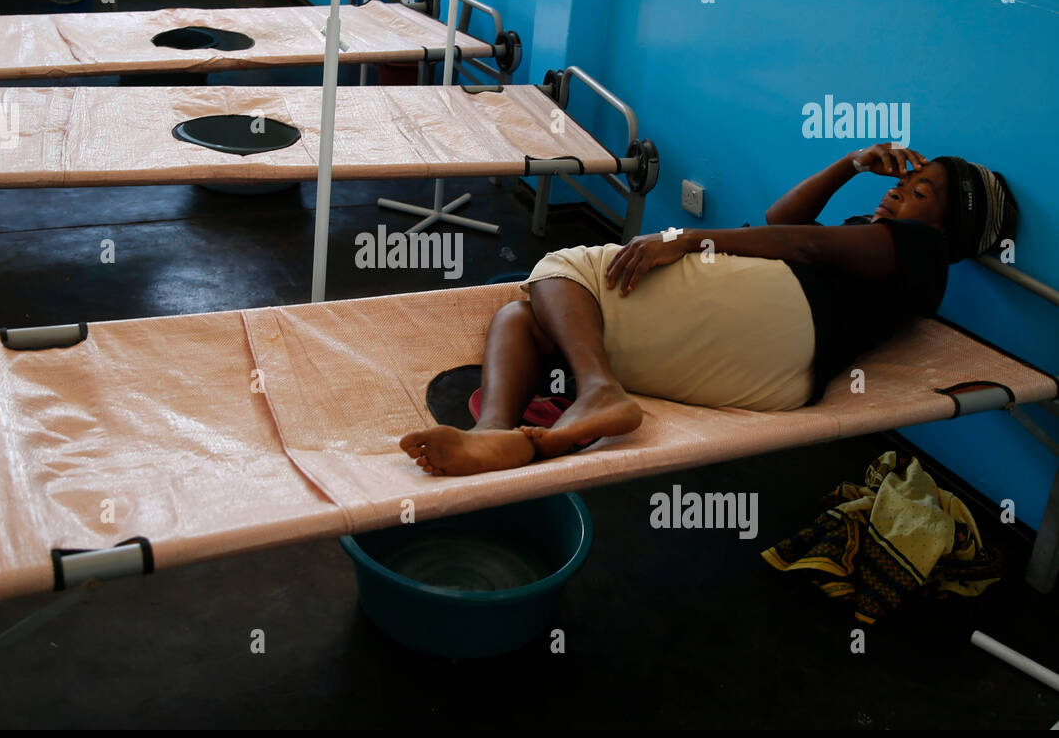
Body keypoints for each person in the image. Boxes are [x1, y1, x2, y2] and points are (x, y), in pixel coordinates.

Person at [400, 143, 1017, 476]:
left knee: (563, 267)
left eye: (920, 191)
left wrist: (687, 239)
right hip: (772, 376)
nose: (897, 189)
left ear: (950, 226)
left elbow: (801, 242)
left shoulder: (922, 250)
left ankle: (596, 390)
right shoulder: (891, 249)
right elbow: (784, 219)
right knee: (525, 316)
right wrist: (849, 165)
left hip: (780, 321)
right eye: (903, 181)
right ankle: (500, 439)